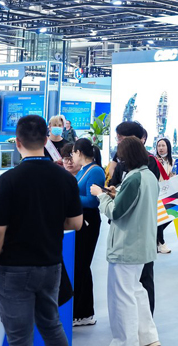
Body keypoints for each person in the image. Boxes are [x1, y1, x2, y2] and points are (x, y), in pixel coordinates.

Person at [0, 115, 83, 346]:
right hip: (51, 264)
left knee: (19, 336)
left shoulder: (9, 179)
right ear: (46, 139)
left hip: (13, 267)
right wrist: (49, 220)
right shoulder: (65, 178)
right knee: (51, 325)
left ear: (17, 142)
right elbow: (75, 223)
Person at [91, 136, 160, 346]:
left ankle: (125, 341)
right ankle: (148, 337)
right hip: (142, 245)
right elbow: (135, 203)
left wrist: (101, 196)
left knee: (122, 298)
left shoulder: (133, 178)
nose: (119, 160)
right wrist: (116, 194)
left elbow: (116, 212)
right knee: (136, 291)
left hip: (126, 246)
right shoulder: (148, 176)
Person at [72, 138, 105, 327]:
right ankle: (80, 311)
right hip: (80, 219)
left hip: (89, 221)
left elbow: (93, 201)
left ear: (79, 152)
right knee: (79, 265)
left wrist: (70, 197)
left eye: (73, 153)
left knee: (82, 265)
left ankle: (83, 313)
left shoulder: (96, 171)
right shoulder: (83, 170)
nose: (72, 157)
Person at [154, 137, 174, 254]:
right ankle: (161, 242)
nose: (160, 148)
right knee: (159, 218)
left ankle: (156, 239)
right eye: (159, 146)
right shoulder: (153, 161)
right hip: (157, 193)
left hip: (170, 193)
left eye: (163, 145)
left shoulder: (173, 162)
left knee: (170, 216)